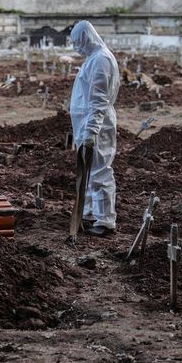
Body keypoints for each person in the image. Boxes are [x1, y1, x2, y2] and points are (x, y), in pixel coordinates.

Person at [69, 20, 120, 237]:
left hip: (96, 127)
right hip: (87, 125)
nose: (76, 48)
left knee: (99, 173)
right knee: (90, 174)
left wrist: (91, 130)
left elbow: (99, 100)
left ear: (87, 38)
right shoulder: (94, 59)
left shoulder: (101, 60)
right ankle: (90, 213)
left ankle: (105, 221)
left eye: (78, 42)